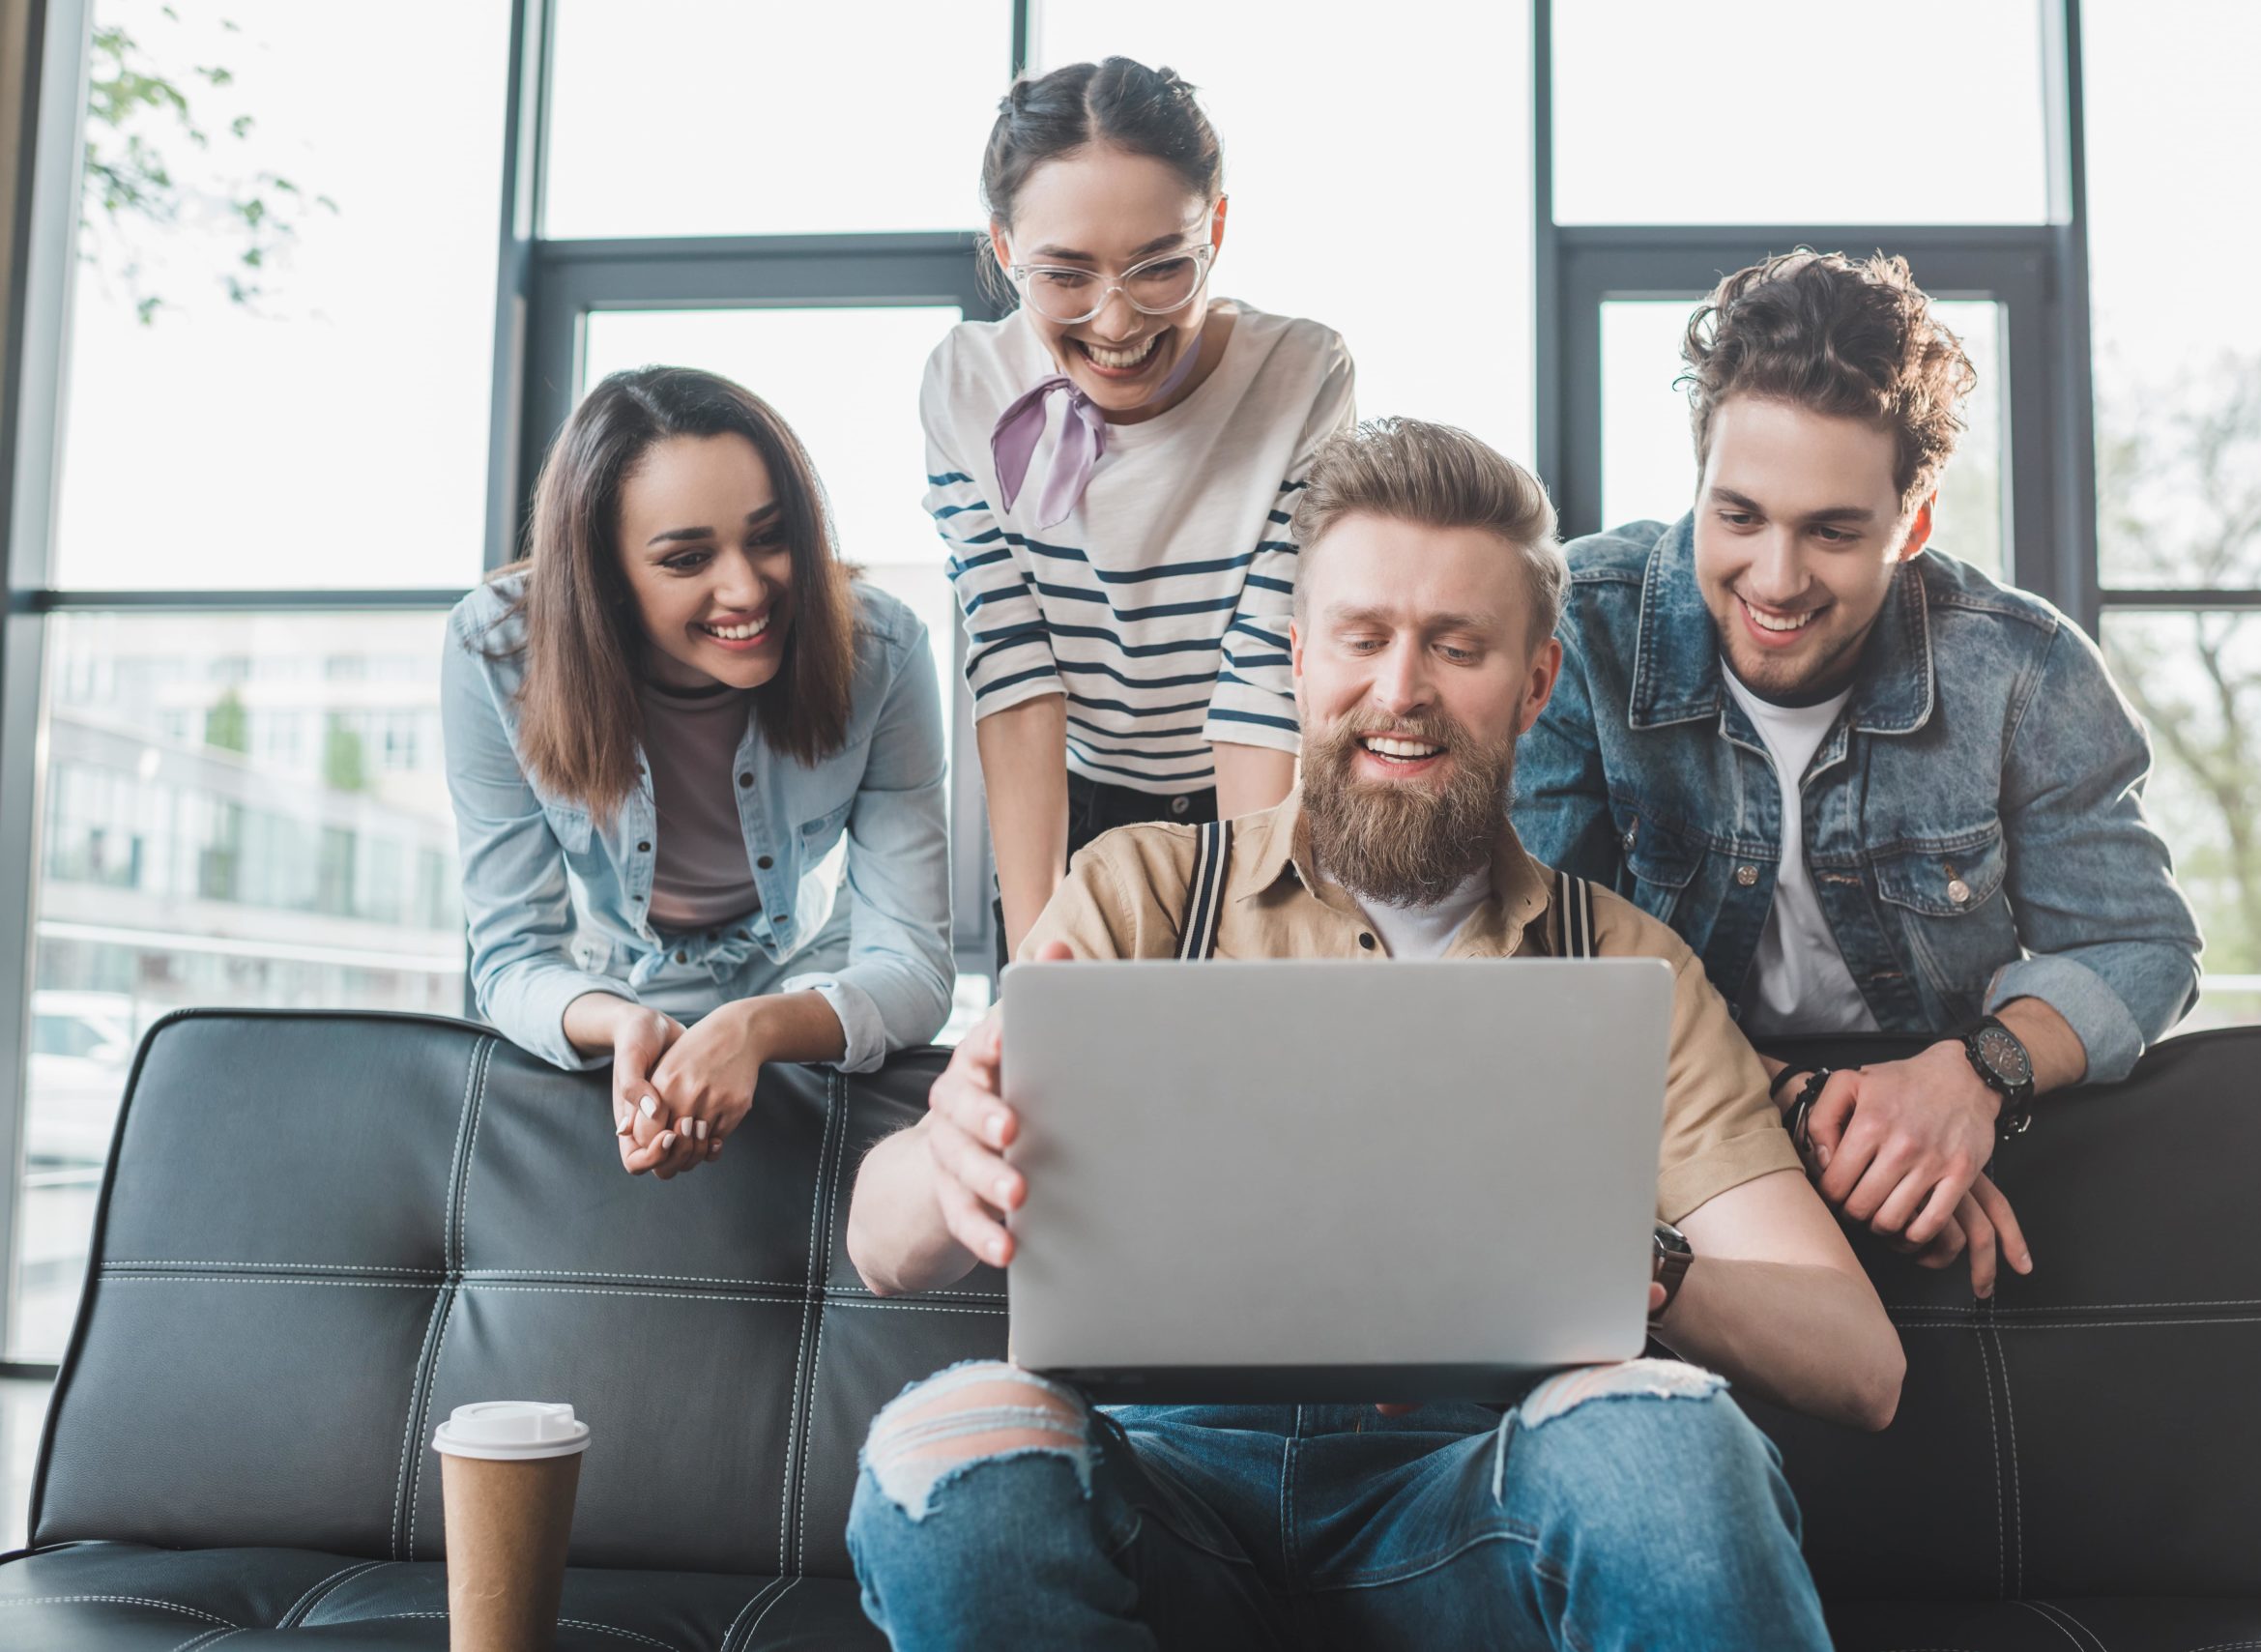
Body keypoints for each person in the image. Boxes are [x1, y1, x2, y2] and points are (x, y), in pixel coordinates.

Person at [842, 420, 1901, 1651]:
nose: (1400, 690)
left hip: (1472, 1505)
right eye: (1362, 638)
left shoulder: (1624, 965)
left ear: (1537, 681)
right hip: (1158, 1493)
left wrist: (1633, 1260)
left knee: (1669, 1440)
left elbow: (1857, 1362)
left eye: (1456, 646)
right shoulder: (1136, 892)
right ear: (1298, 658)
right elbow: (880, 1242)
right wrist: (950, 1154)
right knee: (945, 1447)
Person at [1513, 250, 2203, 1294]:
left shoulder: (2026, 670)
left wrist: (1975, 1077)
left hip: (1940, 1138)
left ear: (1911, 524)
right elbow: (1544, 968)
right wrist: (1811, 1113)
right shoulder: (1578, 631)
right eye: (1736, 516)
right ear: (1697, 484)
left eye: (1832, 532)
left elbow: (2137, 945)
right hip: (1663, 1128)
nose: (1775, 579)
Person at [444, 366, 954, 1179]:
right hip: (609, 986)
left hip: (806, 976)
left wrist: (755, 1029)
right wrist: (619, 1025)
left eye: (770, 535)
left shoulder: (881, 653)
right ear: (605, 574)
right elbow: (512, 958)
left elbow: (914, 968)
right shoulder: (499, 654)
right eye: (686, 558)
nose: (747, 589)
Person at [922, 58, 1355, 956]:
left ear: (1218, 228)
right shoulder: (967, 387)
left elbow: (1261, 675)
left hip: (1253, 797)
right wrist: (1036, 939)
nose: (1116, 324)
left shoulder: (1300, 377)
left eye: (1160, 268)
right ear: (1005, 250)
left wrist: (1251, 923)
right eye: (1066, 275)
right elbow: (1015, 667)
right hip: (1074, 803)